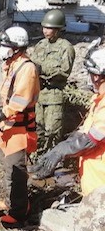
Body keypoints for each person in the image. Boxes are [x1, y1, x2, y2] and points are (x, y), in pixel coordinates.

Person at [31, 44, 105, 196]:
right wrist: (65, 144)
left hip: (100, 184)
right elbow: (86, 131)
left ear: (97, 75)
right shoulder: (98, 99)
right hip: (95, 181)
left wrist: (61, 151)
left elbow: (92, 139)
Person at [0, 26, 40, 226]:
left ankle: (19, 213)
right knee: (8, 169)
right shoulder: (11, 65)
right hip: (8, 127)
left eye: (6, 46)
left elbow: (19, 100)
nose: (2, 49)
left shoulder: (27, 68)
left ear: (17, 47)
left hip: (19, 129)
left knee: (16, 172)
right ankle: (13, 203)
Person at [30, 9, 76, 157]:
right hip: (39, 95)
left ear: (58, 29)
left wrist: (43, 71)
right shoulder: (40, 45)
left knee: (52, 131)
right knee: (38, 129)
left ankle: (51, 160)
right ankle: (37, 157)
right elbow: (32, 65)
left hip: (54, 96)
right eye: (44, 27)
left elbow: (64, 71)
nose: (45, 31)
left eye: (49, 28)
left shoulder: (66, 47)